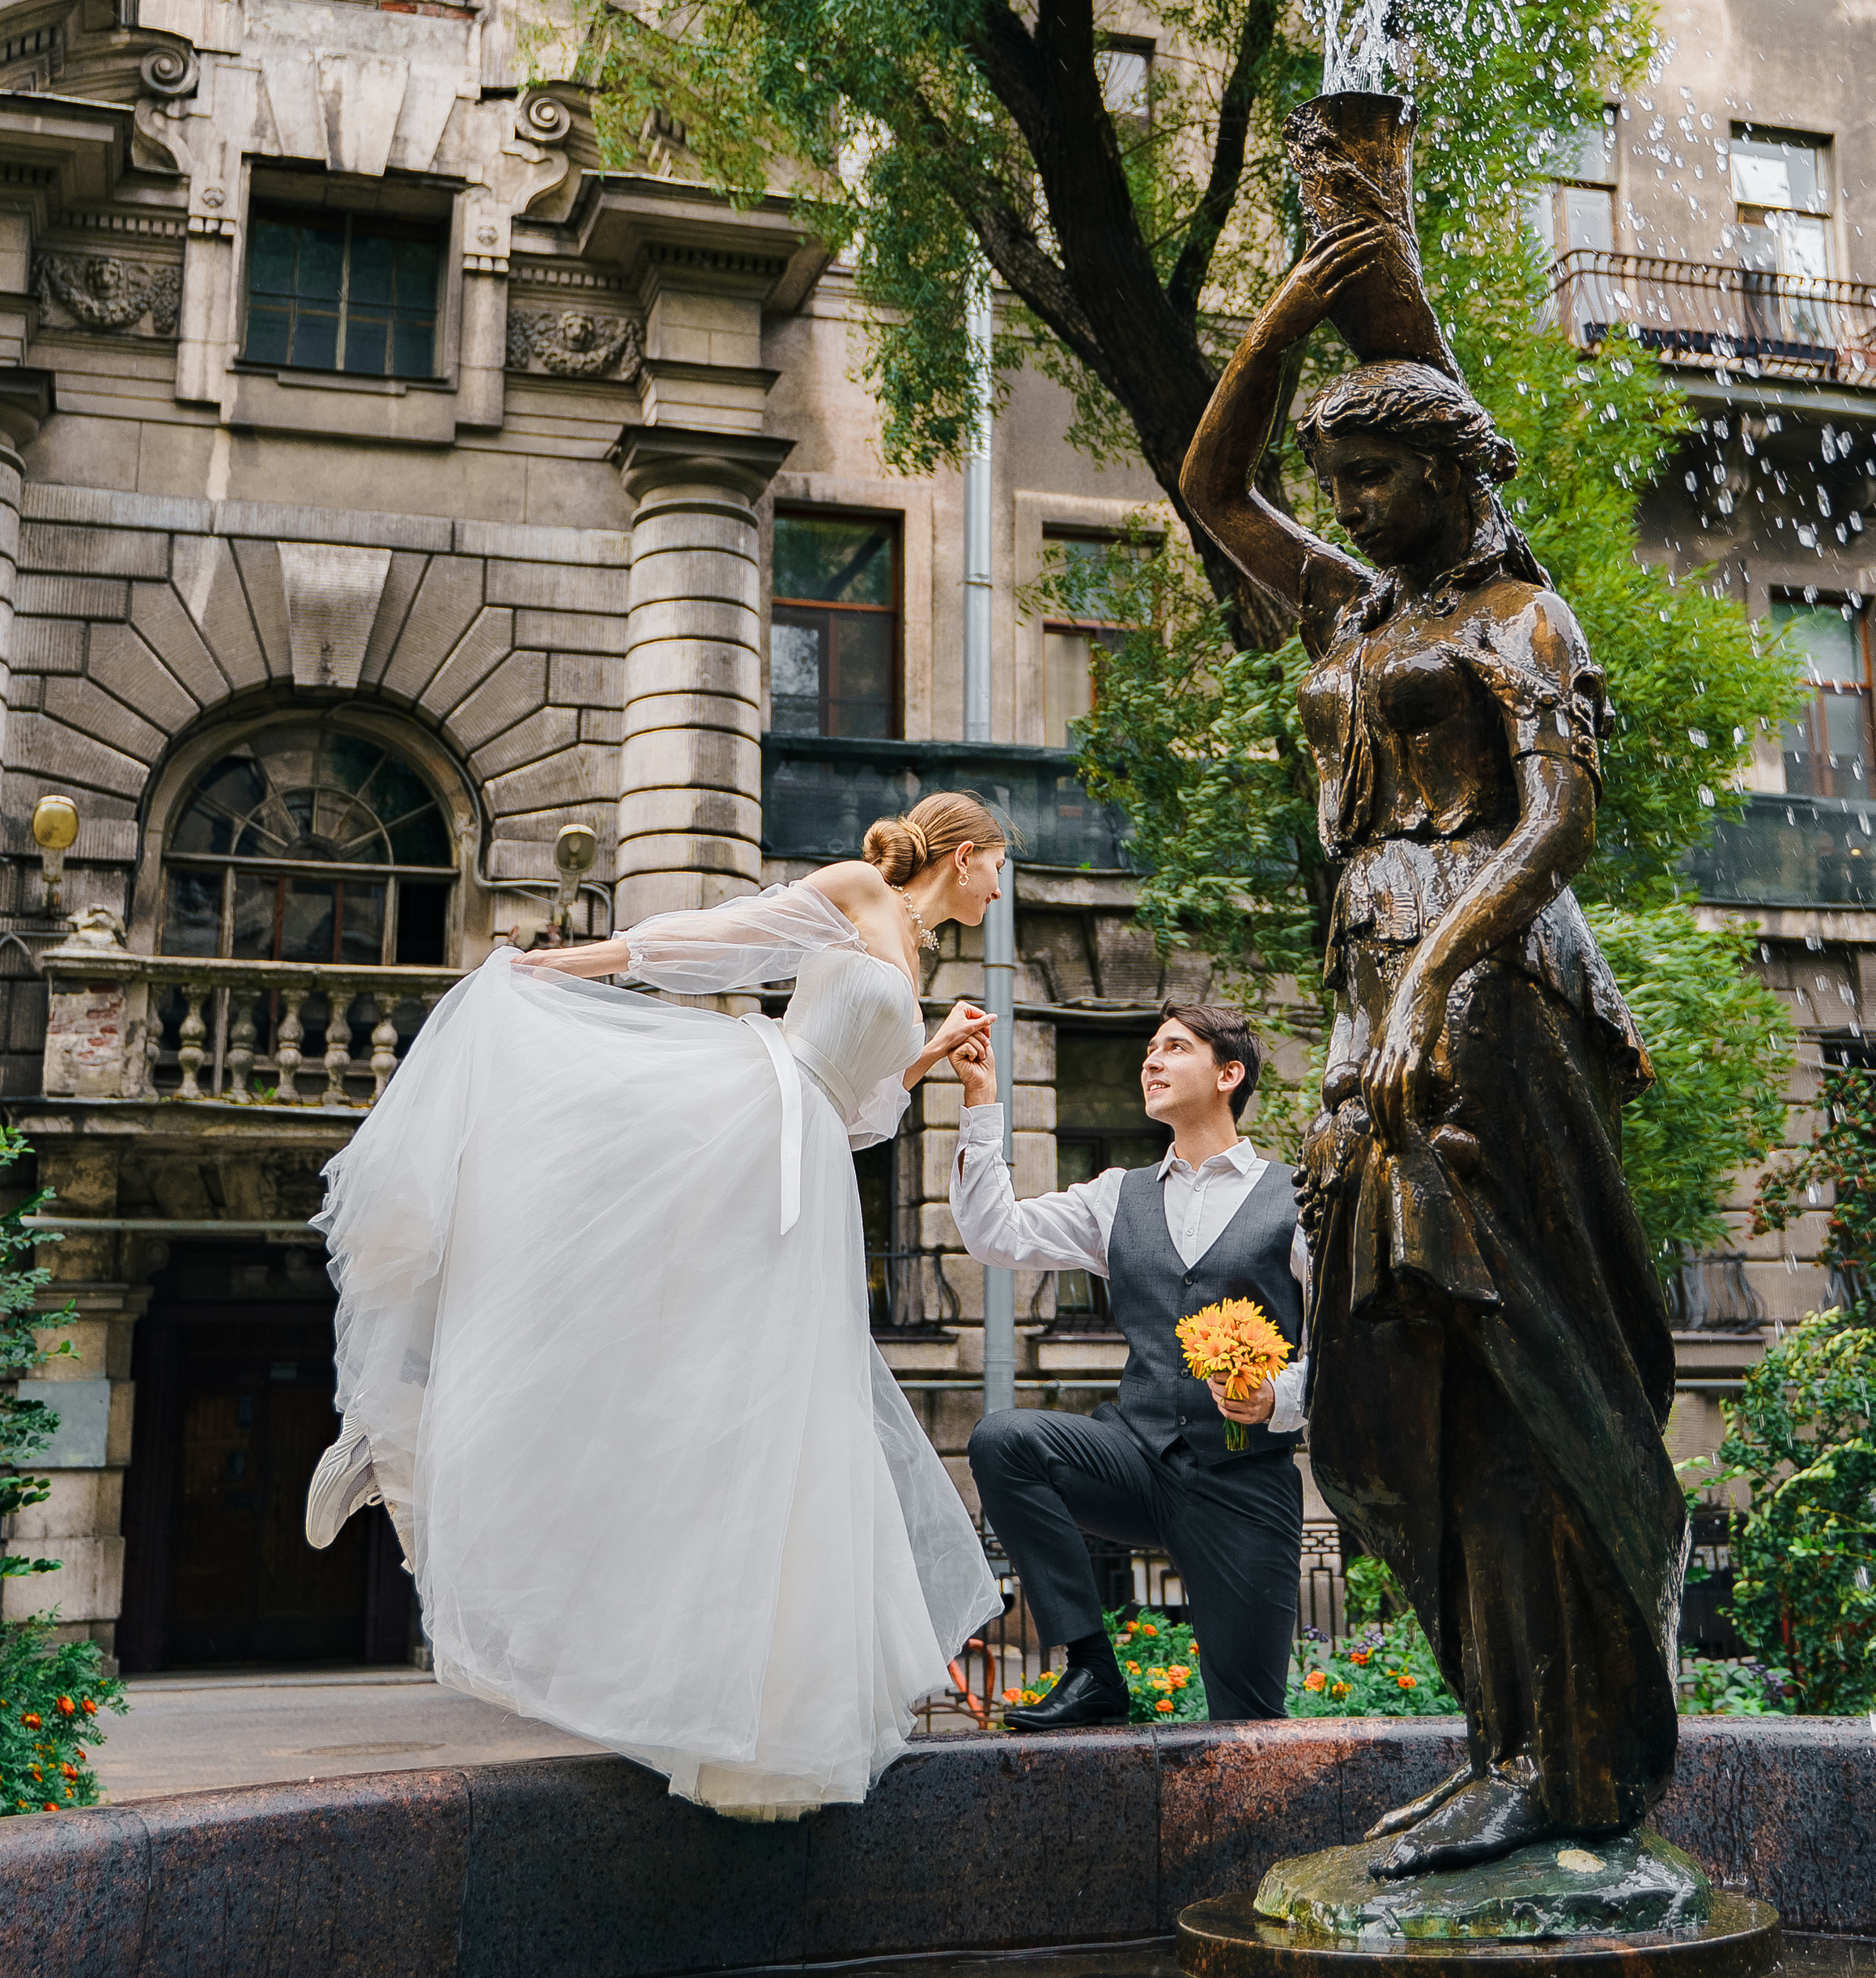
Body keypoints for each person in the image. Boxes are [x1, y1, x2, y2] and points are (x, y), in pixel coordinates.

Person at [1177, 206, 1687, 1875]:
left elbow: (1554, 827)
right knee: (1397, 1386)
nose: (1349, 518)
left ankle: (1561, 1751)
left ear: (1452, 478)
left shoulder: (1518, 615)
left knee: (1509, 1369)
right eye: (1337, 496)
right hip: (1374, 998)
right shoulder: (1353, 604)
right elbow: (1207, 492)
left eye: (1377, 486)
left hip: (1486, 999)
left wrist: (1424, 989)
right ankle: (1500, 1739)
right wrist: (1275, 323)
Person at [304, 793, 1007, 1819]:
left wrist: (929, 1054)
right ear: (966, 852)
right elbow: (722, 939)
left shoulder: (918, 955)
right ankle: (404, 1440)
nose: (999, 889)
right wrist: (565, 967)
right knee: (627, 1310)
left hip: (809, 1162)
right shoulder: (862, 891)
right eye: (997, 869)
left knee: (766, 1411)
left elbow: (859, 1115)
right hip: (748, 1119)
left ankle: (757, 1731)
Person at [952, 1002, 1307, 1729]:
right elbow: (995, 1233)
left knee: (1248, 1721)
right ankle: (1092, 1670)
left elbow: (1345, 1348)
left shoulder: (1297, 1198)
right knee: (1004, 1439)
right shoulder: (1117, 1196)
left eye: (1174, 1048)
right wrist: (981, 1104)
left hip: (1244, 1482)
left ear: (1228, 1074)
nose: (1150, 1060)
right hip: (1138, 1457)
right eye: (1149, 1048)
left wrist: (1279, 1397)